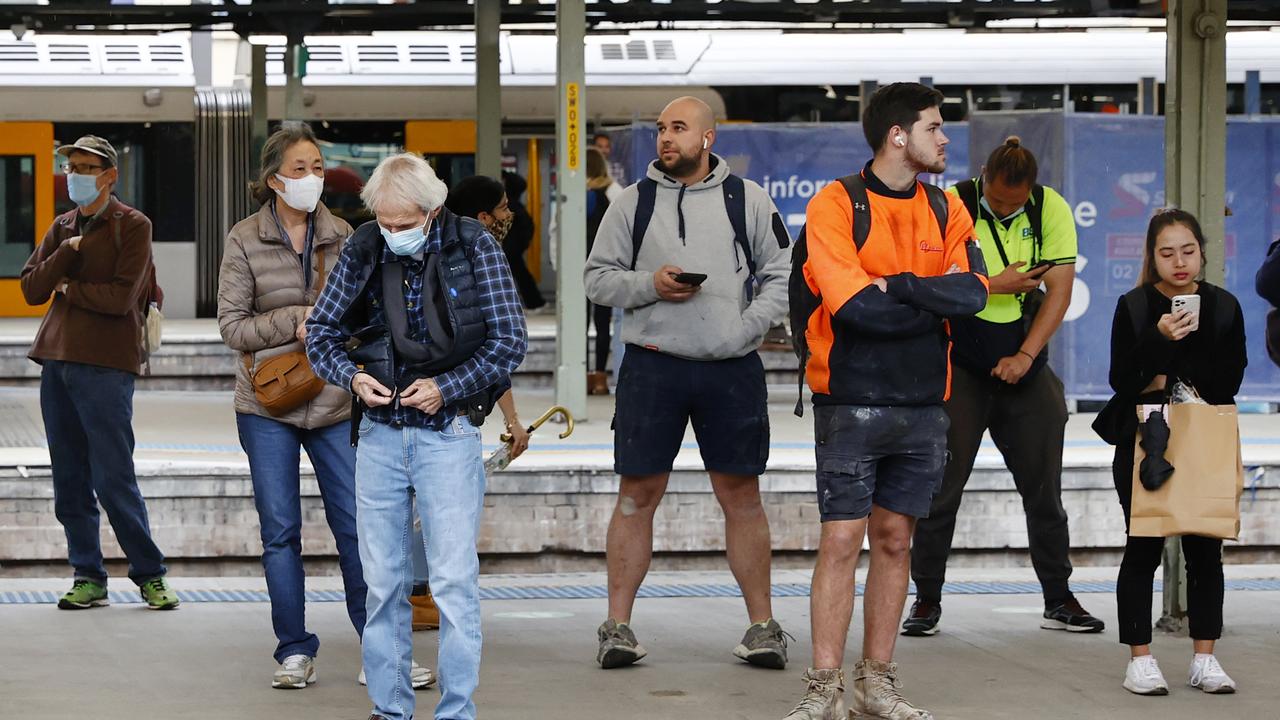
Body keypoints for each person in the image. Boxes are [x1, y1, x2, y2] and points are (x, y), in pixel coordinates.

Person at [784, 83, 989, 720]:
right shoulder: (835, 204)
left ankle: (876, 682)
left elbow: (975, 293)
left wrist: (897, 285)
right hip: (849, 400)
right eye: (935, 127)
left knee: (896, 540)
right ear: (898, 134)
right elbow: (852, 305)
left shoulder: (947, 207)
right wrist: (925, 301)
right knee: (841, 540)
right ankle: (823, 687)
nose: (945, 138)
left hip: (925, 402)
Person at [306, 153, 527, 720]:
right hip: (379, 433)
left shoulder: (475, 245)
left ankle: (457, 710)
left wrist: (447, 387)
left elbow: (509, 342)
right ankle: (390, 708)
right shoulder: (364, 244)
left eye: (405, 224)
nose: (393, 234)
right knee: (382, 585)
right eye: (385, 222)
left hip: (448, 432)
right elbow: (322, 333)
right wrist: (352, 378)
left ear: (432, 212)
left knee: (453, 583)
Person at [216, 124, 432, 690]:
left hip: (337, 399)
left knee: (361, 528)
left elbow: (374, 315)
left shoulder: (347, 235)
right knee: (280, 531)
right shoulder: (243, 239)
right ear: (273, 180)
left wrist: (340, 329)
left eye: (318, 166)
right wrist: (295, 321)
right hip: (268, 403)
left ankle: (381, 648)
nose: (313, 177)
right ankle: (293, 649)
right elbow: (232, 327)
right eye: (300, 168)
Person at [584, 96, 793, 671]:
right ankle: (617, 627)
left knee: (742, 497)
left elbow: (782, 272)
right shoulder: (632, 203)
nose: (666, 138)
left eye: (678, 128)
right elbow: (597, 280)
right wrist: (650, 283)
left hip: (732, 369)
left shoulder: (746, 199)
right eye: (660, 129)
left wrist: (747, 327)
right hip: (653, 366)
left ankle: (762, 627)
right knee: (635, 497)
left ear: (708, 137)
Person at [904, 137, 1104, 637]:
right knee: (940, 490)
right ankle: (926, 598)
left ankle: (1058, 597)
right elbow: (933, 282)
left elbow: (1059, 291)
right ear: (983, 178)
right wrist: (995, 284)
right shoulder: (954, 204)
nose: (1007, 209)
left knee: (1044, 492)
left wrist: (1026, 356)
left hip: (1024, 362)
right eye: (998, 201)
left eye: (1016, 203)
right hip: (964, 366)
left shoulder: (1049, 208)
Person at [19, 135, 179, 612]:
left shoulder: (133, 226)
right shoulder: (63, 224)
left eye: (87, 168)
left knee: (113, 477)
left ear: (110, 176)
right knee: (69, 478)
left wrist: (67, 287)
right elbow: (31, 288)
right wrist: (66, 255)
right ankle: (87, 575)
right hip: (57, 360)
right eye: (72, 166)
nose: (76, 176)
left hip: (107, 365)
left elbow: (120, 299)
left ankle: (150, 575)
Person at [1095, 209, 1245, 696]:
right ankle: (1139, 659)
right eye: (1166, 253)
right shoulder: (1135, 306)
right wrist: (1160, 339)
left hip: (1204, 436)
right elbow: (1123, 380)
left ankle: (1206, 658)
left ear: (1202, 252)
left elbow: (1228, 383)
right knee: (1143, 546)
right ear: (1151, 257)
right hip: (1146, 437)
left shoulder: (1223, 306)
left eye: (1187, 250)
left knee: (1207, 550)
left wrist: (1187, 344)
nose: (1178, 262)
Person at [585, 147, 624, 395]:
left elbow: (557, 231)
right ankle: (600, 377)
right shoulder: (615, 192)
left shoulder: (576, 192)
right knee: (603, 324)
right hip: (606, 267)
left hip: (579, 265)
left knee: (578, 325)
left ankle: (582, 375)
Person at [500, 172, 546, 310]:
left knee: (517, 275)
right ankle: (534, 301)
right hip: (514, 247)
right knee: (521, 274)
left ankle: (533, 302)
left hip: (511, 247)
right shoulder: (516, 206)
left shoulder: (510, 207)